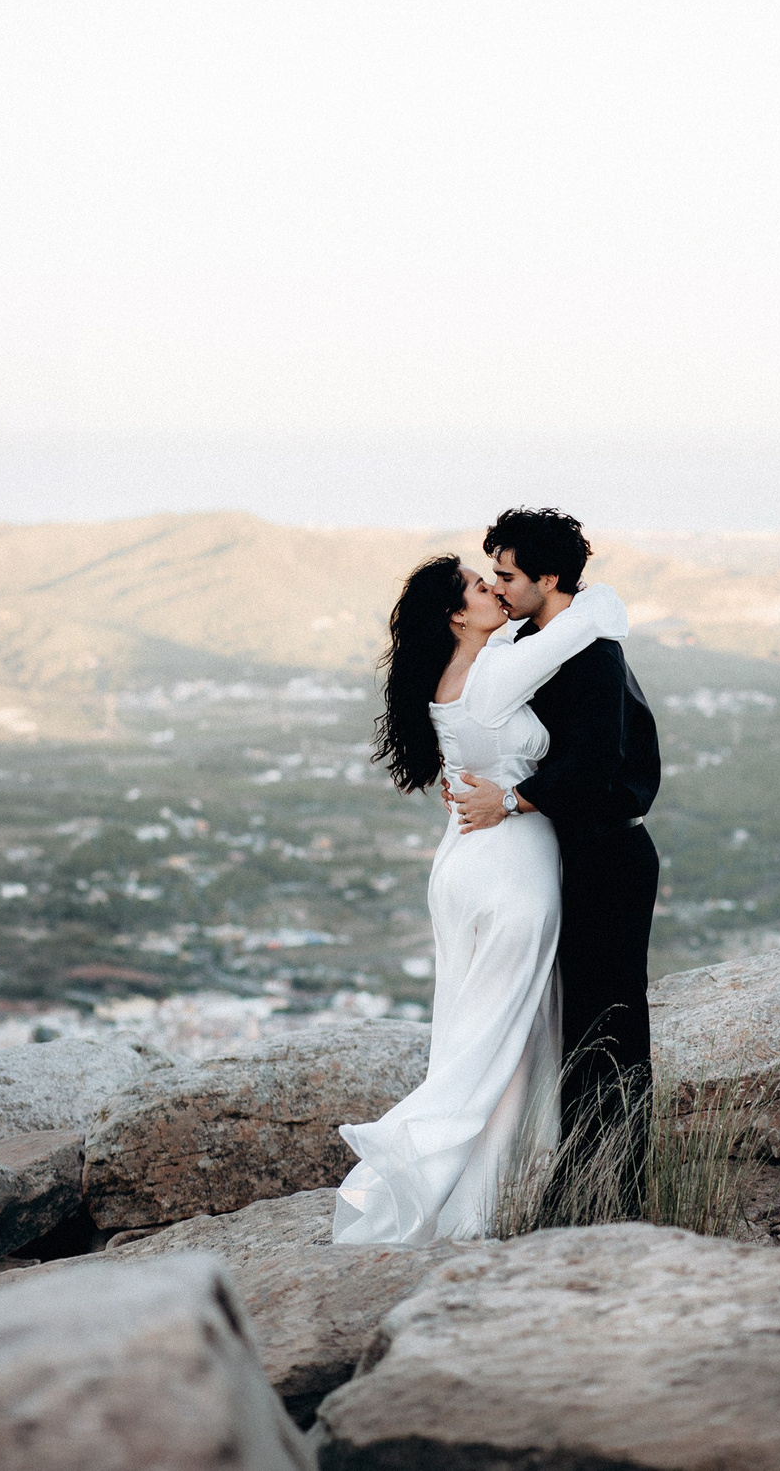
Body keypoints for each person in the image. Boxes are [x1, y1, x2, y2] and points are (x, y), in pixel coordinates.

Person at [331, 551, 630, 1244]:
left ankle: (483, 1198)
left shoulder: (444, 682)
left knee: (479, 1036)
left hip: (464, 867)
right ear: (457, 614)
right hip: (511, 874)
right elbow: (600, 616)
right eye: (479, 583)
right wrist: (563, 583)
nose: (493, 588)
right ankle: (441, 1182)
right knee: (499, 1049)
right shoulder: (492, 674)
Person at [447, 509, 661, 1188]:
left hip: (610, 860)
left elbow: (595, 766)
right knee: (577, 1024)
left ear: (548, 576)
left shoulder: (594, 654)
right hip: (574, 858)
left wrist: (509, 800)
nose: (499, 587)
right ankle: (574, 1178)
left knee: (612, 1025)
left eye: (507, 575)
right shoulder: (537, 639)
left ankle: (614, 1185)